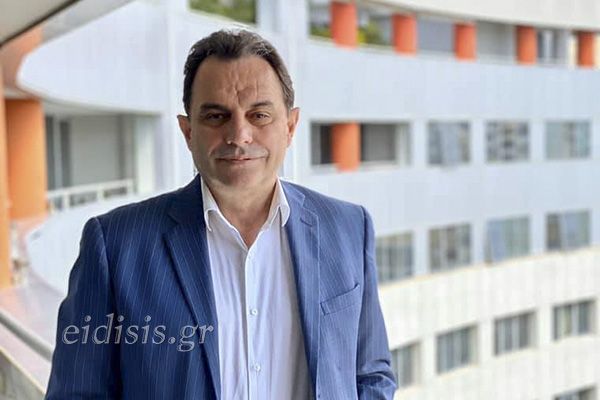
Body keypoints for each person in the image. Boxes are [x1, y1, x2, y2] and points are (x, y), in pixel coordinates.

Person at [45, 29, 396, 400]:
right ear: (188, 132)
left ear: (290, 127)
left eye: (259, 115)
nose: (239, 135)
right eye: (216, 116)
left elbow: (371, 375)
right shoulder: (115, 246)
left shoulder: (348, 228)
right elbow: (77, 393)